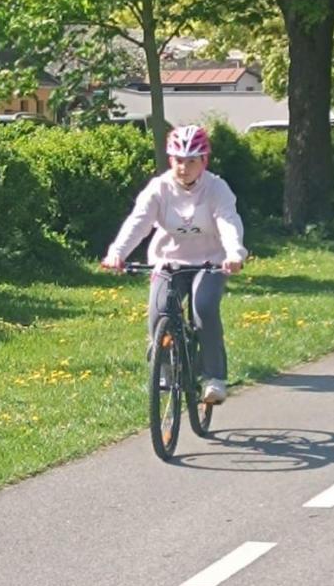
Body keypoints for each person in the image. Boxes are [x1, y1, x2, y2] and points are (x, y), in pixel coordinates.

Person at [101, 124, 246, 403]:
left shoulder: (216, 188)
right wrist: (117, 253)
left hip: (211, 262)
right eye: (179, 160)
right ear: (171, 160)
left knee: (203, 307)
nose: (184, 167)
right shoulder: (159, 188)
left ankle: (214, 378)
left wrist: (234, 254)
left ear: (204, 161)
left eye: (192, 161)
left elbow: (228, 222)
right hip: (168, 260)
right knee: (158, 313)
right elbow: (138, 222)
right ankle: (165, 369)